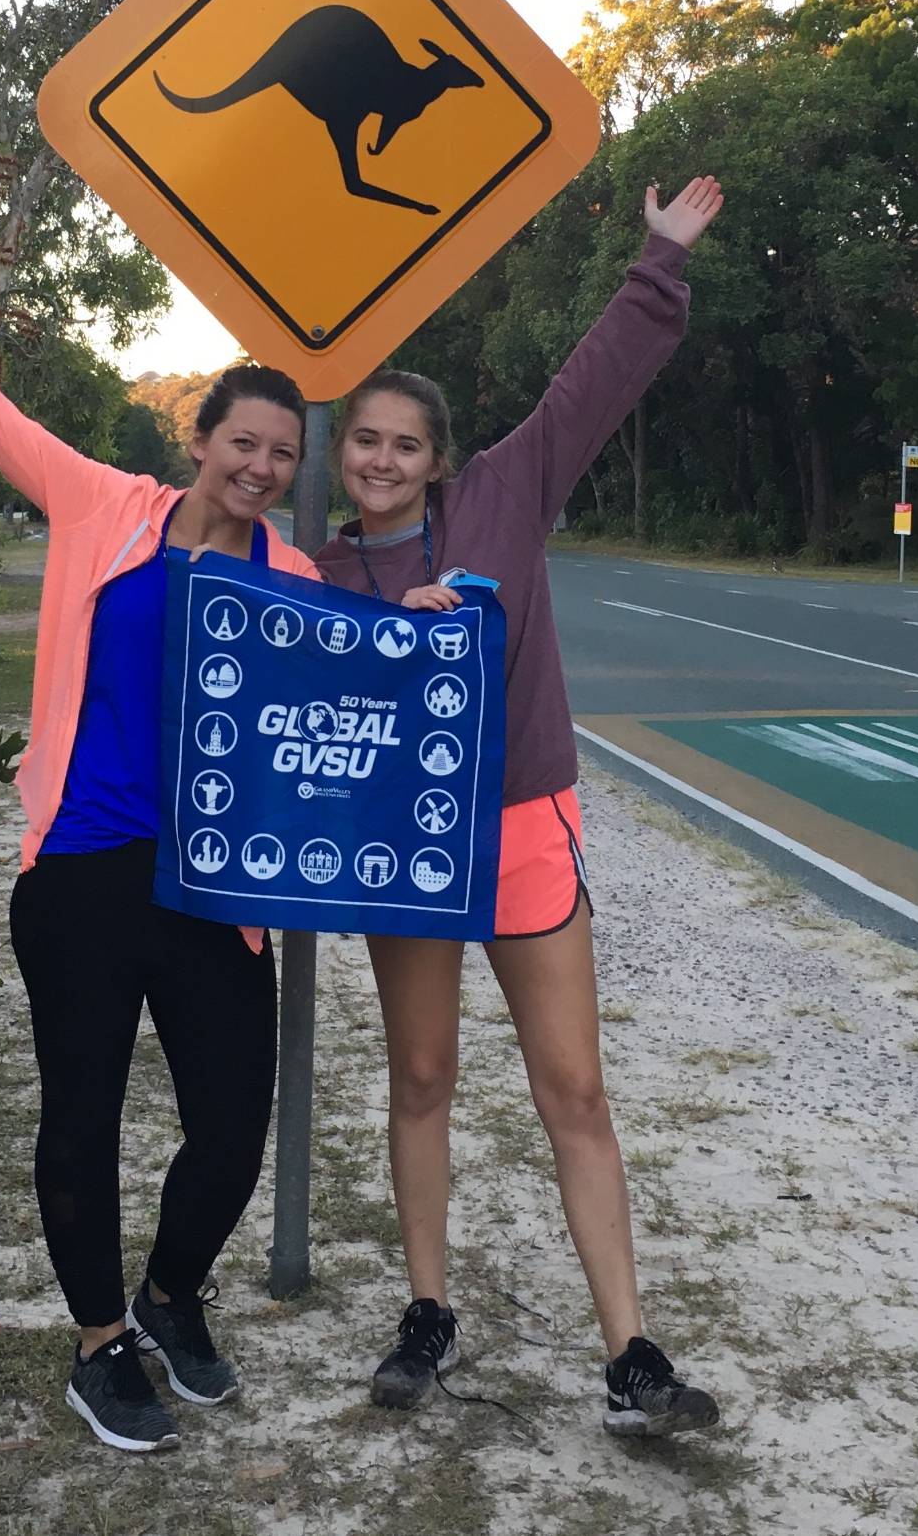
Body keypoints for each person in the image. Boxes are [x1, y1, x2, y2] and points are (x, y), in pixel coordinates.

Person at [0, 209, 318, 1456]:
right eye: (242, 443)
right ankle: (100, 1345)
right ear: (201, 440)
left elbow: (352, 703)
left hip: (216, 888)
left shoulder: (296, 578)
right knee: (82, 1117)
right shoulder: (105, 507)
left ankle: (169, 1295)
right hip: (85, 870)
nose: (258, 467)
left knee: (229, 1129)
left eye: (280, 454)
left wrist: (433, 617)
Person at [313, 176, 726, 1440]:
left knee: (573, 1095)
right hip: (404, 852)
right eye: (364, 441)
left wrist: (655, 261)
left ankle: (630, 1357)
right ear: (342, 455)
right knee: (422, 1080)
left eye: (404, 444)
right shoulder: (322, 571)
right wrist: (387, 630)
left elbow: (589, 385)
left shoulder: (500, 498)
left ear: (437, 460)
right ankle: (426, 1316)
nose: (381, 460)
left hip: (519, 828)